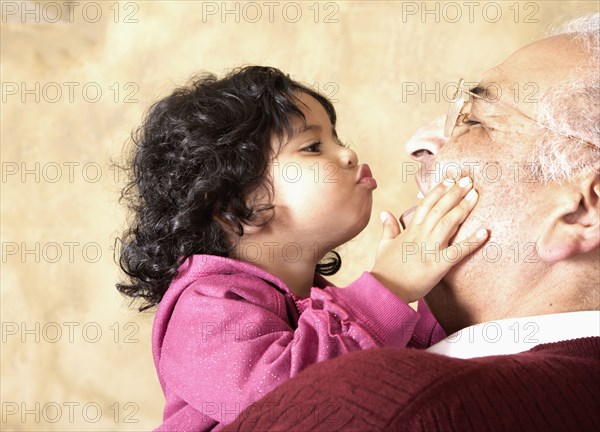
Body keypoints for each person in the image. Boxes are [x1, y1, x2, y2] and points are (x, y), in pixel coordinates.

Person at [223, 14, 600, 431]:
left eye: (475, 120)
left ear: (583, 210)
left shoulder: (390, 408)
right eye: (313, 147)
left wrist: (387, 290)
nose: (417, 142)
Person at [115, 66, 489, 430]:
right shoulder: (203, 308)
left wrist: (435, 289)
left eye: (337, 139)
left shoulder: (325, 309)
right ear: (234, 207)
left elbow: (402, 378)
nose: (348, 155)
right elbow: (294, 404)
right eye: (313, 147)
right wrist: (390, 287)